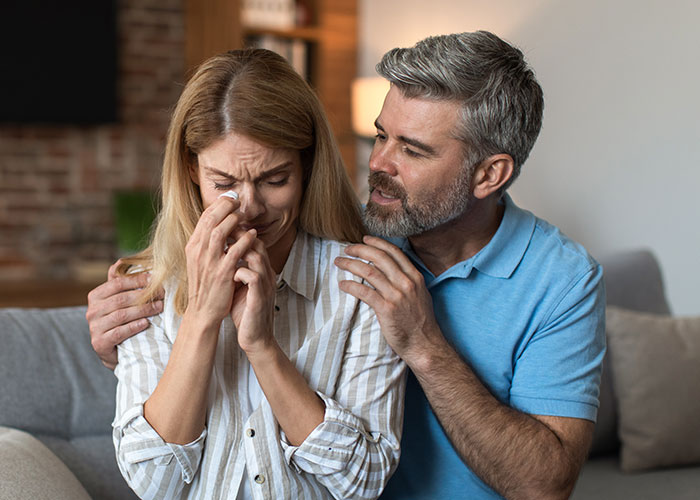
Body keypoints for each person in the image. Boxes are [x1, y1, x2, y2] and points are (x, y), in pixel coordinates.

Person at [88, 31, 605, 499]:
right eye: (381, 135)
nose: (377, 163)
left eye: (413, 150)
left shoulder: (561, 281)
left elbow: (544, 484)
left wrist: (423, 345)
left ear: (489, 174)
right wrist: (128, 337)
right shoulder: (353, 233)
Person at [99, 48, 406, 500]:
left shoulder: (359, 283)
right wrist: (202, 317)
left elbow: (362, 481)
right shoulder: (149, 284)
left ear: (305, 167)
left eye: (274, 179)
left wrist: (262, 347)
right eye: (223, 184)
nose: (251, 208)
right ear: (191, 171)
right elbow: (152, 482)